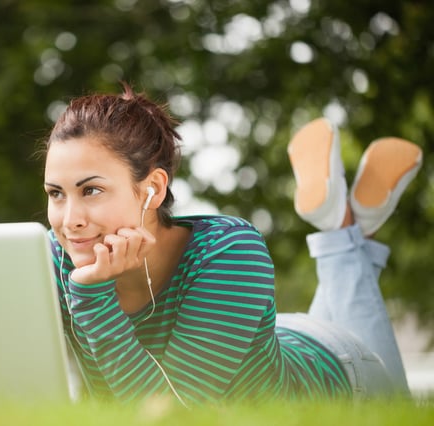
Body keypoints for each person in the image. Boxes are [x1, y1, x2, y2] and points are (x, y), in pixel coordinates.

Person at [42, 84, 423, 406]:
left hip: (339, 376)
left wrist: (91, 294)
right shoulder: (53, 259)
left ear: (153, 189)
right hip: (239, 332)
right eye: (56, 193)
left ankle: (340, 227)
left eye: (91, 190)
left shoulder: (229, 251)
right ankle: (345, 223)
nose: (69, 219)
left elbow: (171, 416)